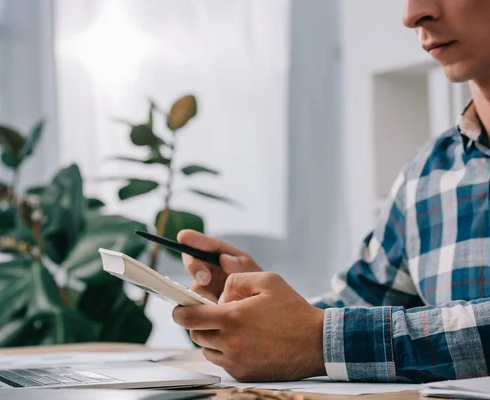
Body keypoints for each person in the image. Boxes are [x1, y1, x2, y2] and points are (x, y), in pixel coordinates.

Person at [172, 0, 490, 383]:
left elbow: (324, 336)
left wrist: (317, 341)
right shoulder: (426, 176)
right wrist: (256, 311)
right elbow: (354, 307)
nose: (412, 15)